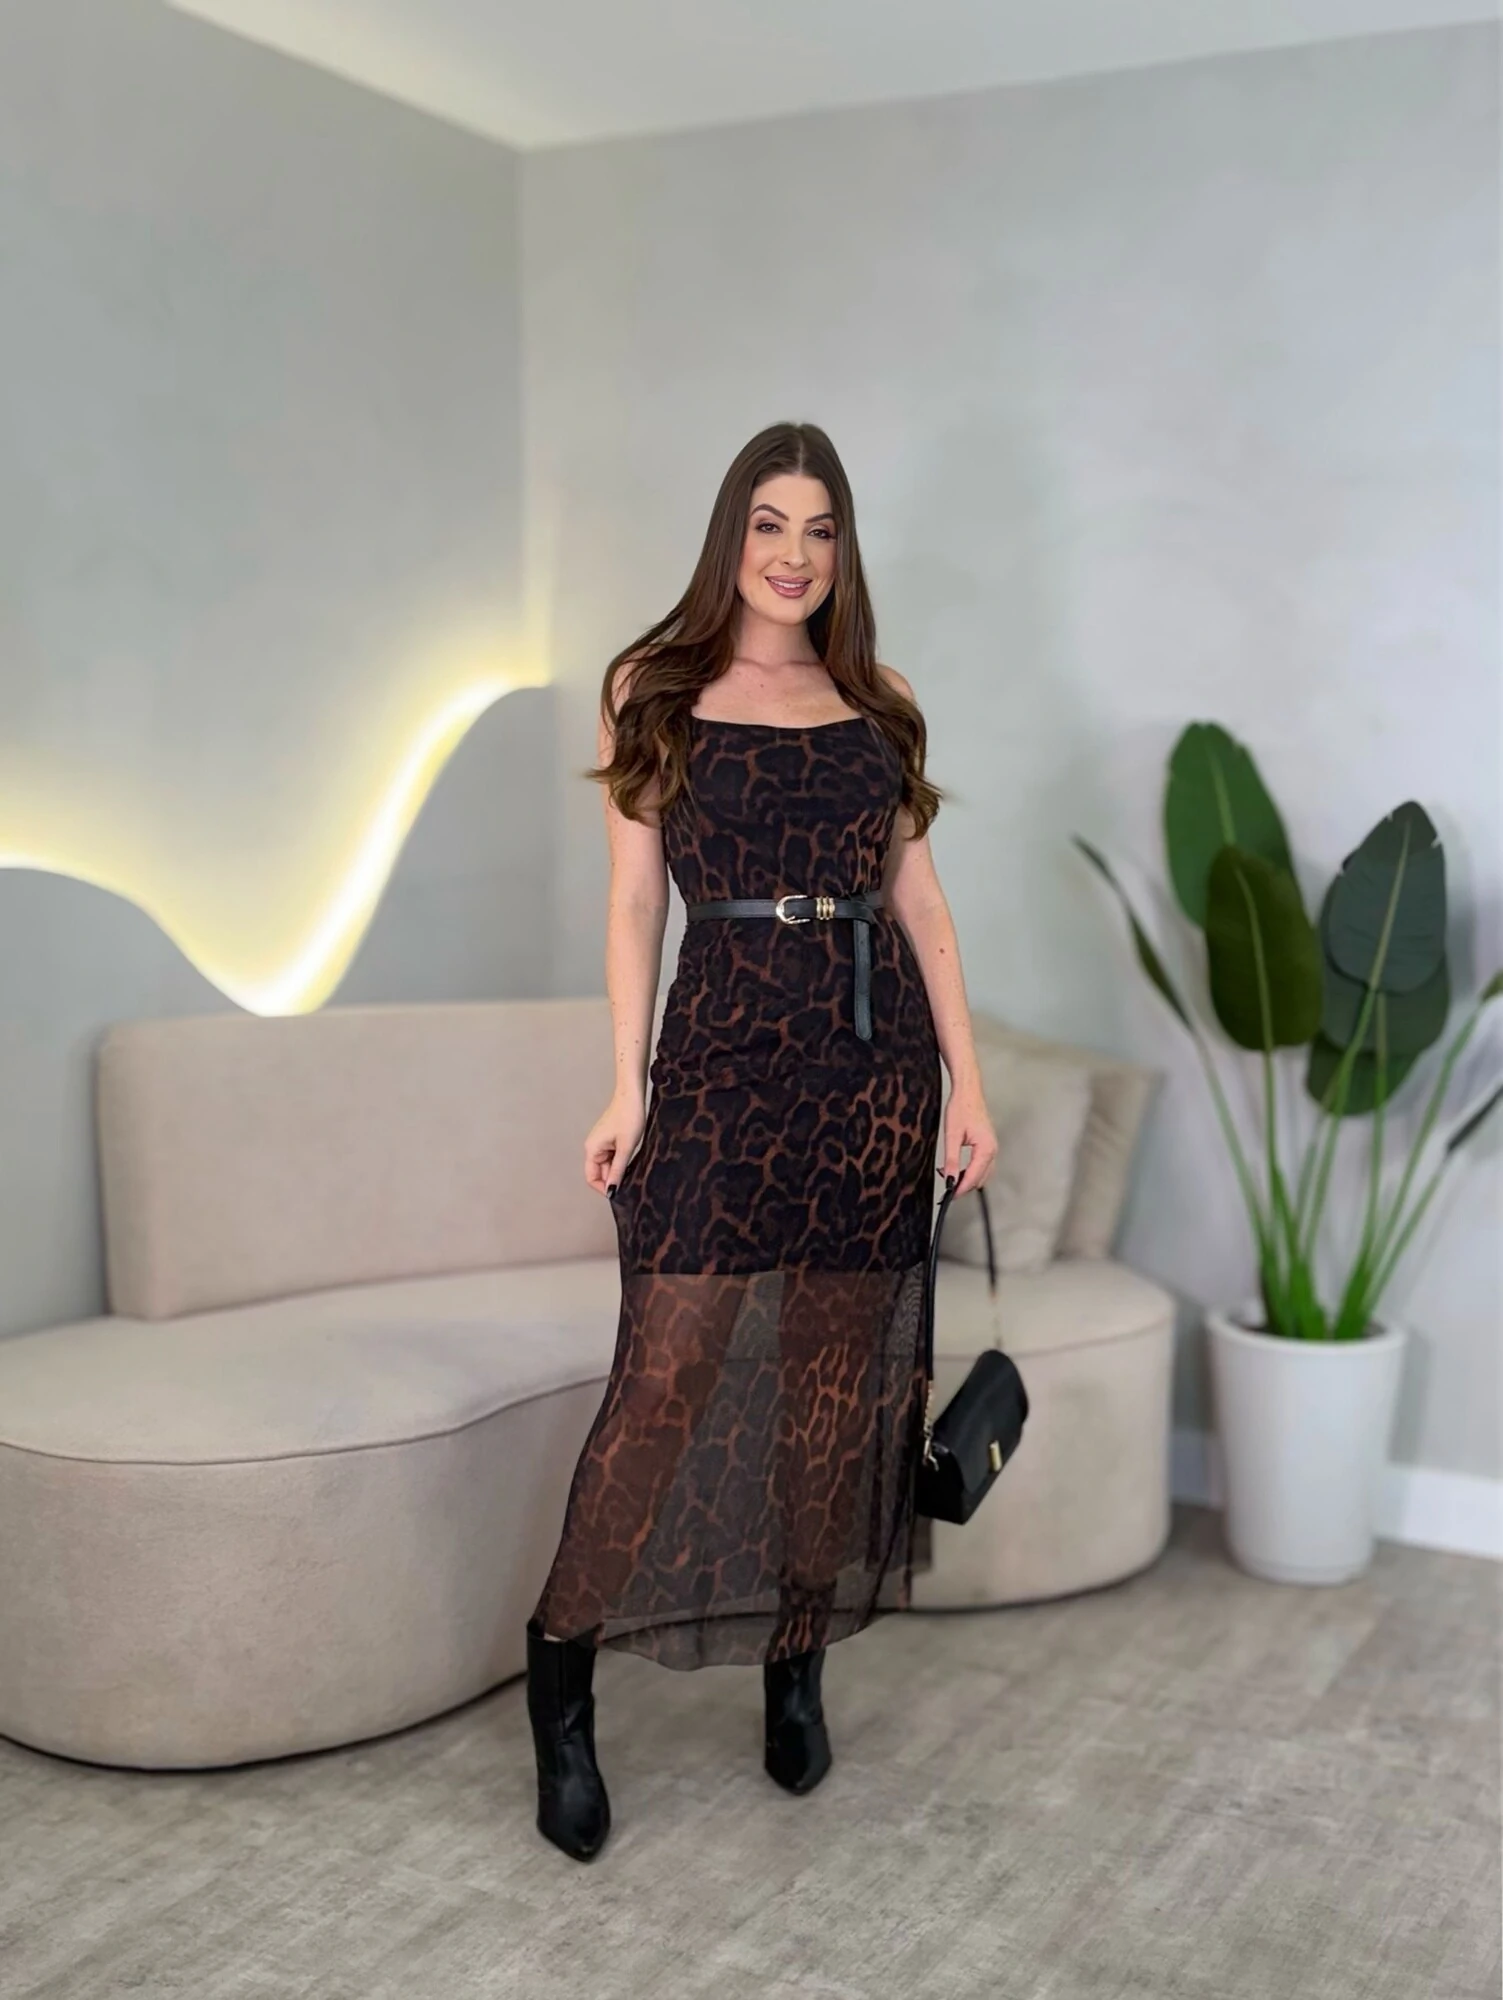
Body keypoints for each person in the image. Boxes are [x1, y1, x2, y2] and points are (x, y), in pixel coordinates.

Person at [524, 419, 997, 1861]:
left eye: (820, 531)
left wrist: (966, 1086)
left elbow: (919, 904)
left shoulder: (880, 701)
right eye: (769, 526)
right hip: (723, 1065)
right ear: (730, 535)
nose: (794, 557)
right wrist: (627, 1087)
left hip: (872, 1075)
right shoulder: (651, 686)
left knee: (833, 1388)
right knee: (664, 1375)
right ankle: (561, 1679)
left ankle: (798, 1664)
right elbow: (631, 904)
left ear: (843, 550)